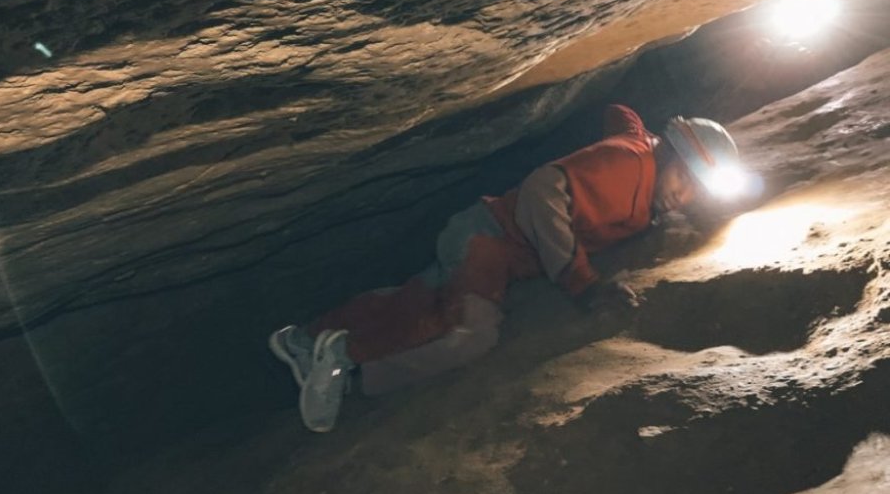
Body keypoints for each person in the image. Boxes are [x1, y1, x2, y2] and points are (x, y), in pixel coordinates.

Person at [269, 104, 740, 432]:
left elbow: (620, 112)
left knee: (415, 301)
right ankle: (347, 364)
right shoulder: (631, 163)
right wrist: (582, 283)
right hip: (489, 239)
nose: (685, 196)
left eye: (697, 191)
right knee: (470, 335)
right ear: (670, 155)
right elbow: (542, 187)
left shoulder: (637, 156)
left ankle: (305, 339)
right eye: (685, 180)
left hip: (489, 237)